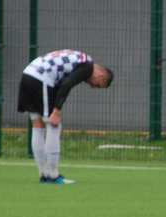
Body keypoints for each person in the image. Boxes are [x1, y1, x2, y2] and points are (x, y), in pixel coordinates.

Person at [17, 49, 113, 184]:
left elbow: (61, 83)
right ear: (101, 75)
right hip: (41, 78)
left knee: (38, 124)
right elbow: (66, 85)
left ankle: (44, 174)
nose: (93, 87)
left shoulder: (81, 59)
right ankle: (53, 175)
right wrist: (57, 111)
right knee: (54, 124)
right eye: (97, 85)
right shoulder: (88, 66)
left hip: (29, 73)